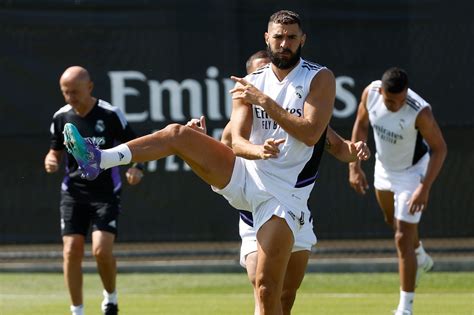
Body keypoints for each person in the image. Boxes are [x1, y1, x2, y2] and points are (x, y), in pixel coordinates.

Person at [63, 10, 334, 314]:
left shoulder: (319, 77)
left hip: (285, 194)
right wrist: (256, 151)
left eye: (291, 37)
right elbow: (237, 141)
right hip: (246, 175)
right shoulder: (249, 82)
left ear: (302, 40)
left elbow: (312, 134)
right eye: (279, 36)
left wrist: (265, 103)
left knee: (273, 292)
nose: (285, 43)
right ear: (266, 38)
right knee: (178, 134)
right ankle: (100, 159)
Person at [187, 49, 370, 315]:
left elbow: (339, 148)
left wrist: (355, 151)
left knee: (284, 298)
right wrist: (200, 142)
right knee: (263, 289)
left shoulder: (303, 119)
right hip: (254, 212)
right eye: (260, 74)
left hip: (293, 209)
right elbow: (224, 158)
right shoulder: (240, 121)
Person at [44, 66, 144, 315]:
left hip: (105, 192)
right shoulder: (61, 117)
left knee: (101, 250)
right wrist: (51, 160)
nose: (70, 97)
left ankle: (110, 298)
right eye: (65, 92)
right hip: (73, 193)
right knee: (71, 250)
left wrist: (137, 167)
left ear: (89, 87)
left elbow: (136, 145)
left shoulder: (110, 114)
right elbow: (54, 150)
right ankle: (77, 310)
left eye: (75, 92)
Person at [348, 67, 447, 315]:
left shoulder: (420, 111)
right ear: (381, 92)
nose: (397, 105)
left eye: (401, 100)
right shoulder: (370, 94)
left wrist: (424, 188)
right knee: (392, 221)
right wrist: (354, 166)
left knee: (402, 236)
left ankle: (405, 308)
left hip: (413, 172)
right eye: (392, 101)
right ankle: (420, 255)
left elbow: (440, 149)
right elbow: (360, 126)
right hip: (383, 167)